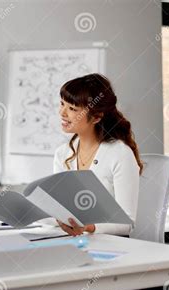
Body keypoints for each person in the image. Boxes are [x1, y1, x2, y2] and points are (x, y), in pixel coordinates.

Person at [53, 73, 143, 236]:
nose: (62, 113)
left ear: (96, 117)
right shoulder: (62, 154)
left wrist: (88, 227)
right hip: (74, 242)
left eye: (72, 109)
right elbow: (59, 208)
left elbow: (126, 223)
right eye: (62, 104)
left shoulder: (120, 154)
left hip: (113, 248)